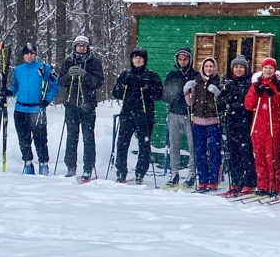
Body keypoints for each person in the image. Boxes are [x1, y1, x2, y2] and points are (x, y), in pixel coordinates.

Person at [110, 48, 164, 184]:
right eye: (135, 57)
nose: (138, 60)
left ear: (145, 60)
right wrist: (123, 85)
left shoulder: (151, 75)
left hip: (145, 115)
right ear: (131, 59)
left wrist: (147, 88)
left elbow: (159, 94)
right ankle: (121, 172)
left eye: (140, 58)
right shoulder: (125, 74)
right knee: (122, 144)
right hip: (127, 114)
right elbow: (115, 93)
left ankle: (140, 173)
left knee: (144, 145)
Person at [58, 35, 106, 182]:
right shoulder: (68, 61)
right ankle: (70, 167)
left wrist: (85, 75)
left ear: (88, 47)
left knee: (88, 138)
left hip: (88, 106)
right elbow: (61, 81)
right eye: (79, 45)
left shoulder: (94, 62)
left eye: (84, 46)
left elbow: (99, 82)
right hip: (71, 105)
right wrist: (68, 75)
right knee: (71, 137)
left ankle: (88, 167)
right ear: (74, 47)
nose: (81, 48)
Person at [8, 42, 58, 175]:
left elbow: (54, 85)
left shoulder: (44, 68)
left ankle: (43, 164)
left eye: (32, 53)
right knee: (23, 139)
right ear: (23, 55)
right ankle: (28, 163)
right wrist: (9, 92)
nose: (29, 56)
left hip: (37, 110)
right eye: (27, 54)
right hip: (20, 109)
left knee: (40, 138)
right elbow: (15, 86)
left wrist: (47, 100)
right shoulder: (18, 70)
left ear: (35, 54)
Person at [245, 58, 280, 196]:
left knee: (272, 157)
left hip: (274, 125)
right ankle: (262, 185)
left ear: (275, 70)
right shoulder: (256, 84)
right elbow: (248, 105)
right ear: (262, 69)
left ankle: (274, 185)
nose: (268, 70)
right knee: (260, 157)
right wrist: (256, 92)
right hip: (258, 126)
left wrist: (273, 95)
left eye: (271, 68)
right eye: (266, 68)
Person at [218, 56, 255, 196]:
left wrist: (236, 106)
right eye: (236, 67)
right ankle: (236, 181)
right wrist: (223, 102)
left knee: (246, 152)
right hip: (231, 122)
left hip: (245, 121)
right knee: (233, 154)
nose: (238, 69)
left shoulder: (249, 83)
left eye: (241, 67)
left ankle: (249, 182)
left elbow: (248, 103)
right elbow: (221, 102)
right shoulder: (229, 83)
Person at [186, 56, 223, 191]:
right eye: (206, 66)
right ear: (202, 68)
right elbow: (190, 103)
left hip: (213, 121)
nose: (209, 69)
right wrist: (186, 92)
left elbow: (222, 104)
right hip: (198, 121)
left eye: (211, 66)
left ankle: (213, 180)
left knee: (214, 151)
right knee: (200, 152)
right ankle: (202, 179)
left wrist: (218, 93)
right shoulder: (197, 82)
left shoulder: (219, 82)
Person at [162, 48, 198, 187]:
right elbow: (164, 94)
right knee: (174, 145)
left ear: (190, 60)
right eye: (180, 59)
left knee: (192, 145)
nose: (182, 62)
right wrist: (172, 95)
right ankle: (174, 172)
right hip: (174, 113)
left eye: (185, 59)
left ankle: (192, 173)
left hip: (189, 114)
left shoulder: (194, 76)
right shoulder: (172, 75)